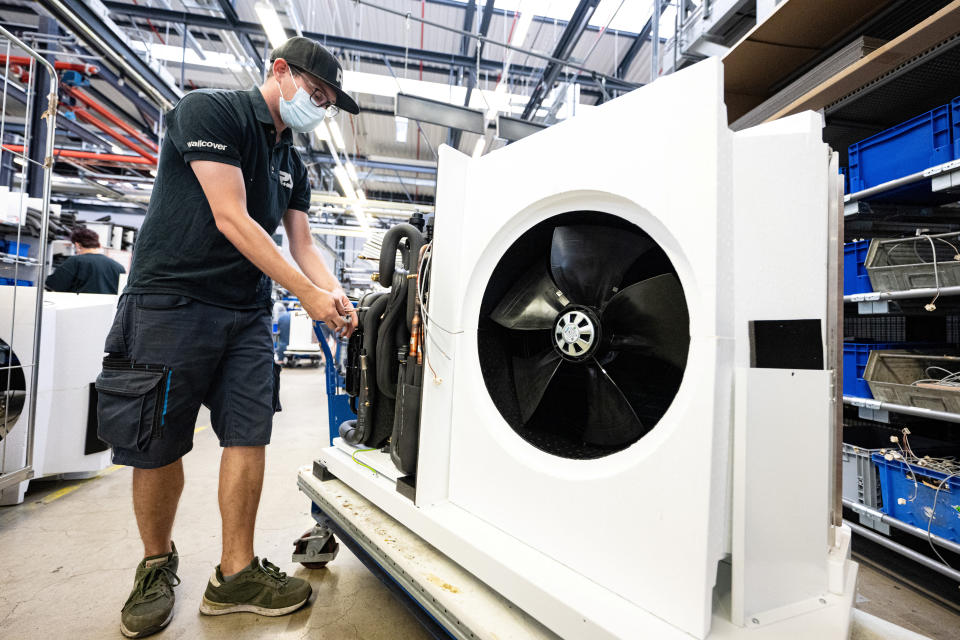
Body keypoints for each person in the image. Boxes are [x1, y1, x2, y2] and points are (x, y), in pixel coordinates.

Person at [95, 37, 360, 639]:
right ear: (279, 71)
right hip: (172, 300)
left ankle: (235, 573)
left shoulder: (292, 160)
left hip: (246, 313)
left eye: (325, 102)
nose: (316, 107)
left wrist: (335, 296)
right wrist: (309, 298)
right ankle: (156, 565)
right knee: (158, 441)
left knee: (248, 432)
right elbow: (231, 216)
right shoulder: (211, 110)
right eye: (314, 93)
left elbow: (304, 243)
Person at [44, 227, 125, 294]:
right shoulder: (118, 267)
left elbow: (53, 284)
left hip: (78, 310)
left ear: (77, 245)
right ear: (98, 245)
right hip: (109, 311)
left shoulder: (75, 261)